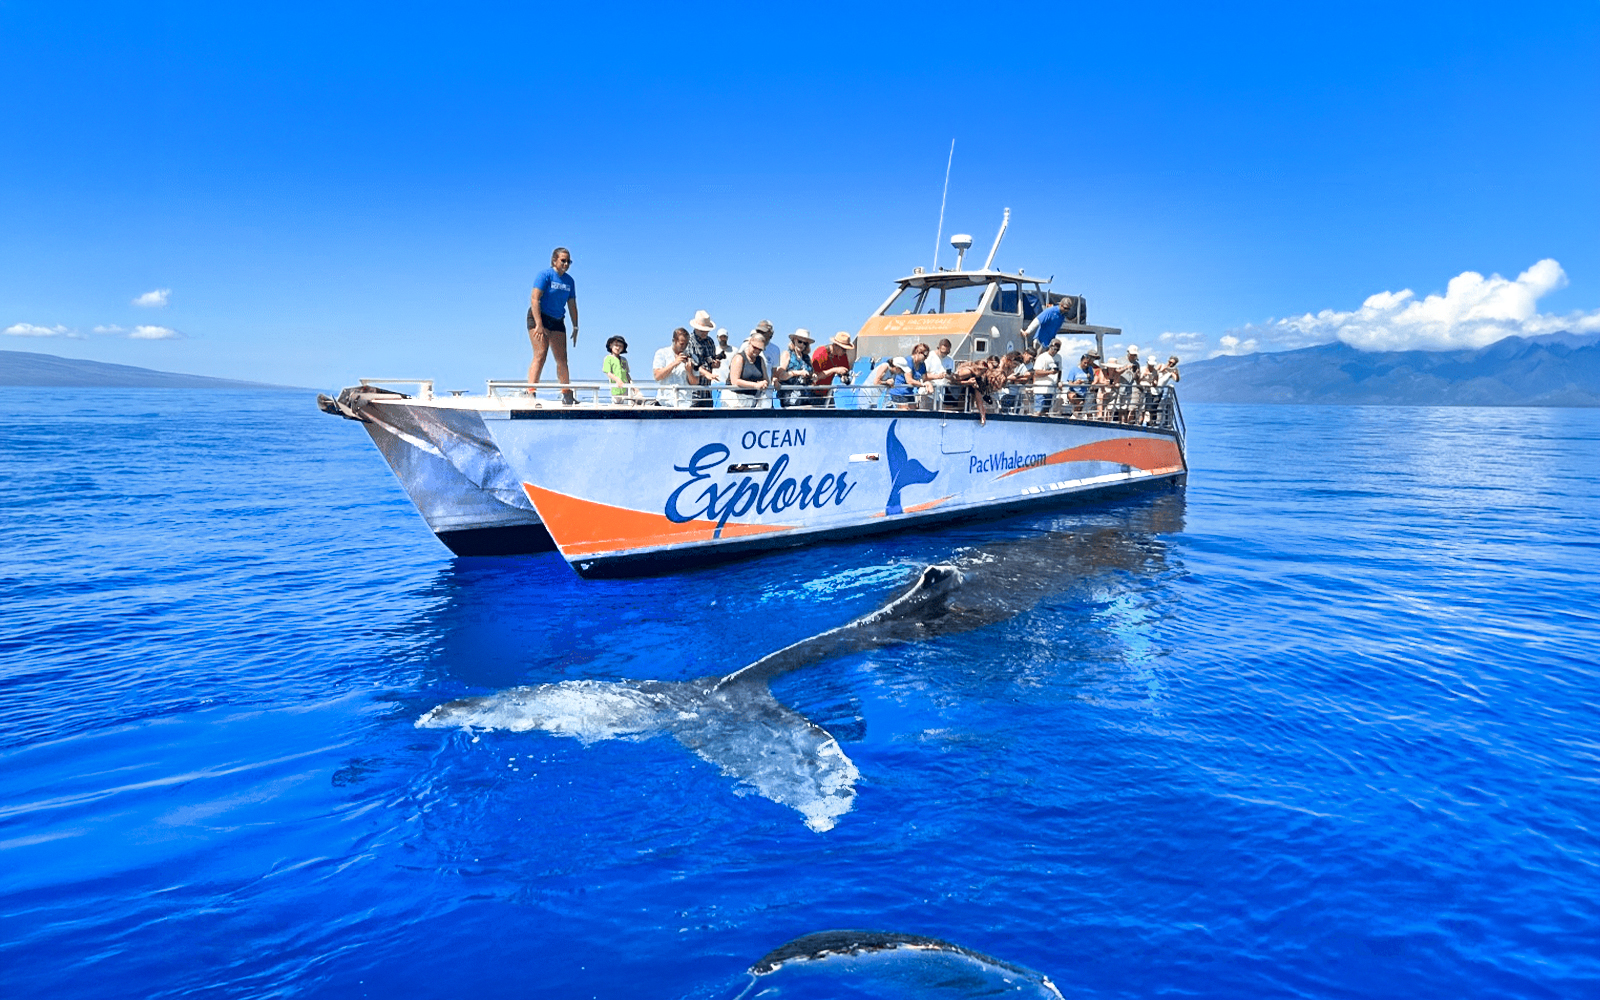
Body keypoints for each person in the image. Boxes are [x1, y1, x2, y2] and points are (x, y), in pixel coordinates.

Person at [528, 247, 580, 403]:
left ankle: (566, 394)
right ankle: (530, 392)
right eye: (563, 260)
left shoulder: (570, 281)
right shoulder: (545, 275)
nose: (566, 263)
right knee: (541, 354)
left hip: (557, 320)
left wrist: (575, 326)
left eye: (568, 261)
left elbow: (572, 304)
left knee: (562, 359)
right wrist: (539, 324)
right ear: (554, 260)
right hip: (539, 317)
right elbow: (535, 299)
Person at [652, 327, 697, 408]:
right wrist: (674, 363)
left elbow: (695, 383)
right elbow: (657, 376)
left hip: (684, 404)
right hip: (664, 404)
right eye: (682, 344)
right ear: (674, 341)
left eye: (686, 344)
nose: (684, 347)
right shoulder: (661, 353)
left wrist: (689, 372)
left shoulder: (692, 357)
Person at [726, 330, 772, 408]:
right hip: (736, 400)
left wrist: (764, 382)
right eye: (755, 347)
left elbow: (766, 379)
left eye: (760, 349)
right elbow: (734, 381)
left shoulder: (760, 360)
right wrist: (755, 385)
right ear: (749, 343)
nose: (757, 351)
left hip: (753, 400)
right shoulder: (739, 358)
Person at [684, 310, 719, 408]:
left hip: (707, 392)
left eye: (706, 330)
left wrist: (715, 364)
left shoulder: (710, 342)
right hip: (693, 393)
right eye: (702, 330)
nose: (704, 333)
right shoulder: (689, 342)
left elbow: (710, 360)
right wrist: (706, 373)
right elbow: (694, 364)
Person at [811, 332, 854, 405]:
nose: (845, 352)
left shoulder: (843, 356)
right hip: (815, 395)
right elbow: (814, 378)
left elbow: (845, 369)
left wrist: (843, 376)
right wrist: (835, 370)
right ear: (836, 346)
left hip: (831, 395)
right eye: (844, 349)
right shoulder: (820, 353)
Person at [777, 329, 816, 407]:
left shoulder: (807, 358)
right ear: (794, 340)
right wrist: (797, 373)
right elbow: (780, 375)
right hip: (790, 398)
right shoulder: (787, 354)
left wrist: (813, 376)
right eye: (800, 342)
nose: (802, 345)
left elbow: (812, 372)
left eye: (805, 343)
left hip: (806, 397)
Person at [601, 336, 635, 404]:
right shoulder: (608, 358)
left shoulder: (624, 360)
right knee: (616, 404)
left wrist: (633, 385)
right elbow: (608, 372)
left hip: (626, 388)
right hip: (615, 388)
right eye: (616, 345)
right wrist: (617, 380)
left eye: (620, 346)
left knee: (628, 404)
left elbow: (627, 374)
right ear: (611, 345)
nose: (618, 348)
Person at [1033, 339, 1062, 415]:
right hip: (1041, 388)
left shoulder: (1059, 357)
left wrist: (1058, 381)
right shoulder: (1042, 357)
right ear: (1050, 347)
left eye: (1057, 349)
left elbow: (1060, 370)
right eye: (1054, 349)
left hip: (1051, 389)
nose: (1055, 351)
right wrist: (1049, 372)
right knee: (1038, 411)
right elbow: (1036, 372)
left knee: (1046, 412)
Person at [1065, 352, 1096, 417]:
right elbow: (1070, 383)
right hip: (1075, 392)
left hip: (1084, 393)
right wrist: (1076, 383)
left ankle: (1079, 414)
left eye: (1087, 363)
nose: (1086, 365)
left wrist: (1088, 382)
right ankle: (1076, 412)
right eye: (1084, 363)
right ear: (1081, 361)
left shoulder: (1089, 369)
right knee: (1074, 398)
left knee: (1087, 403)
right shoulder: (1074, 369)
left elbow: (1092, 381)